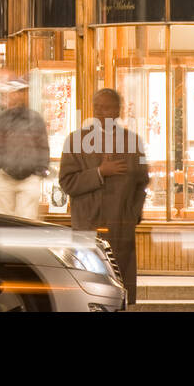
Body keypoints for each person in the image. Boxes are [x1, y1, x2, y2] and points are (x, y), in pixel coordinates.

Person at [58, 87, 149, 304]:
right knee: (88, 283)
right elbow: (67, 182)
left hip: (120, 225)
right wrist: (99, 173)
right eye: (98, 108)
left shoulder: (133, 142)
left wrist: (132, 214)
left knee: (120, 285)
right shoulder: (75, 141)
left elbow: (142, 182)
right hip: (87, 225)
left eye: (107, 108)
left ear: (118, 111)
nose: (102, 113)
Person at [0, 78, 50, 220]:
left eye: (20, 92)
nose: (16, 96)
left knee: (27, 224)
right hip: (3, 177)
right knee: (3, 223)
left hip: (29, 178)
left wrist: (39, 172)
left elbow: (42, 146)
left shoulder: (35, 119)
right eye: (14, 92)